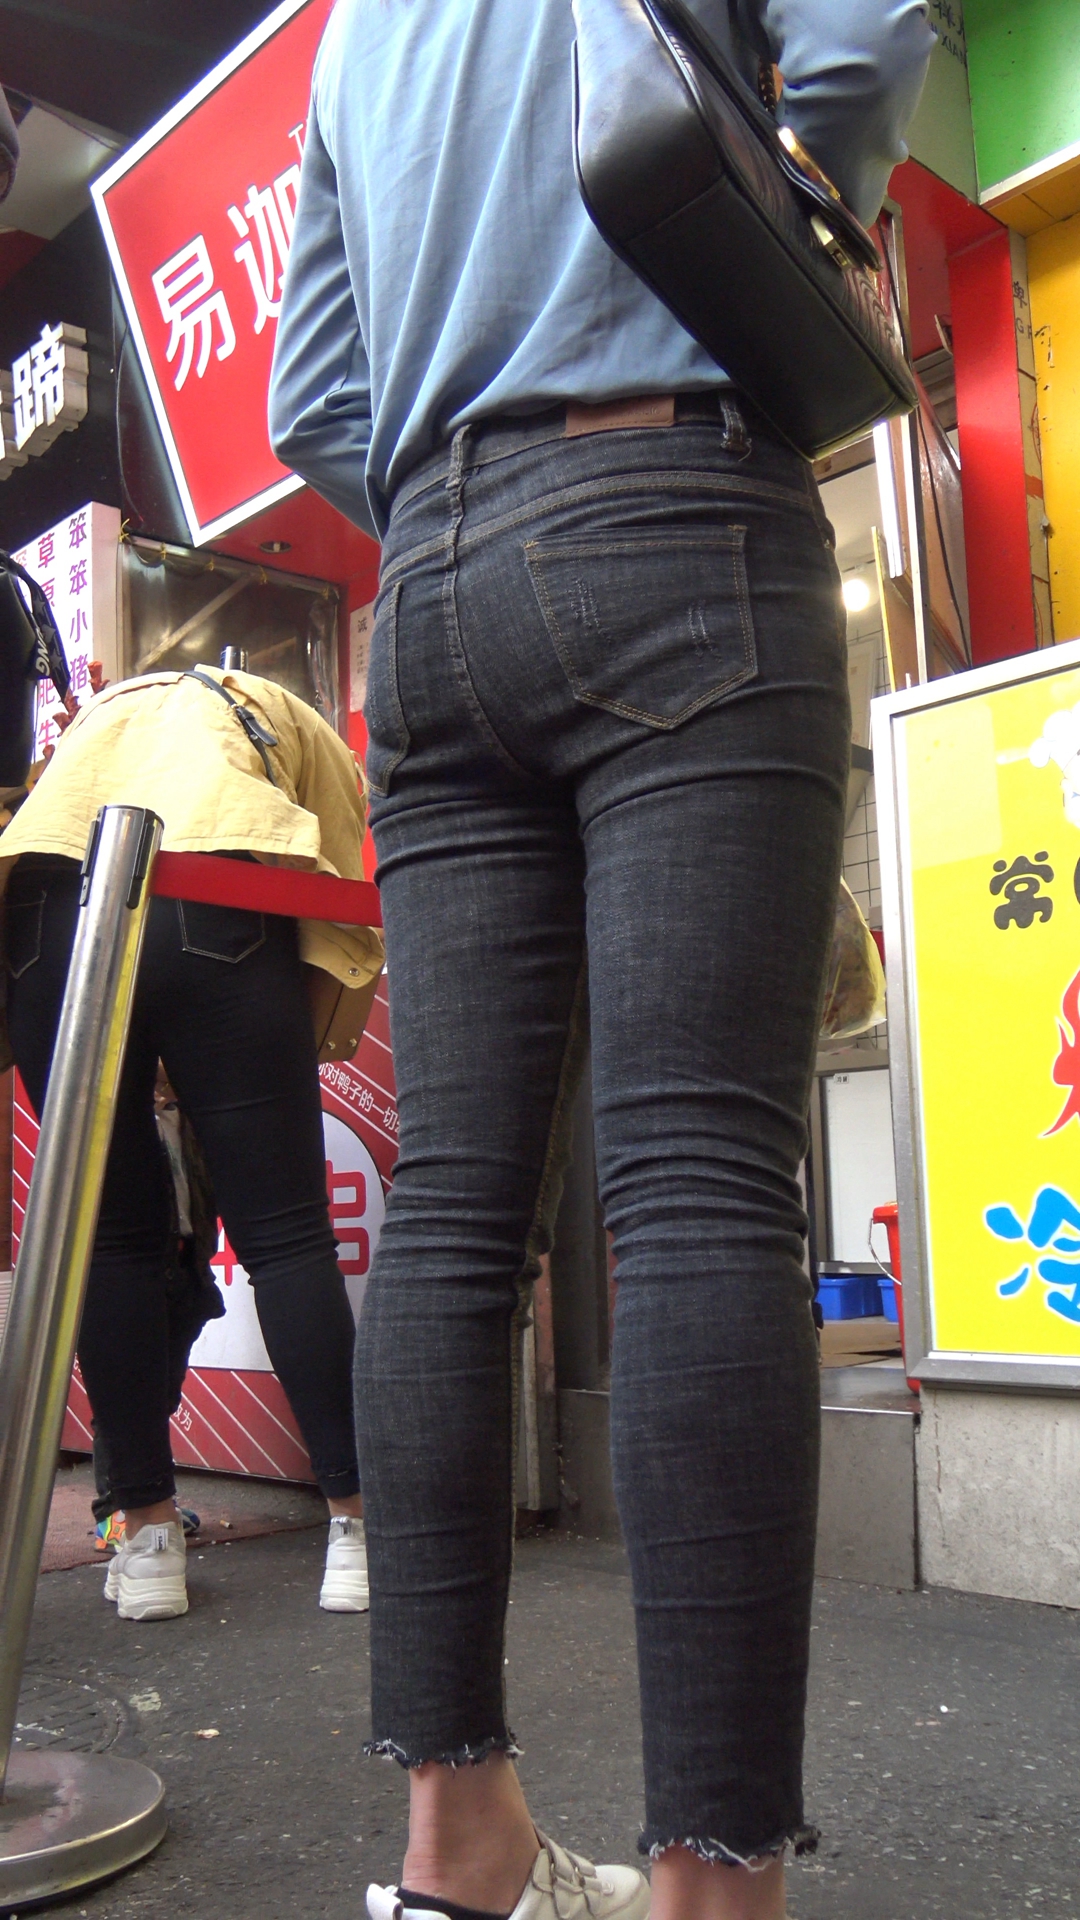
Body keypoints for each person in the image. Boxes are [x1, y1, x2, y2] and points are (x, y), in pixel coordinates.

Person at [269, 3, 934, 1917]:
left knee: (456, 1210)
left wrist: (457, 479)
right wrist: (759, 259)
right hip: (676, 505)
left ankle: (454, 1854)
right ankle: (712, 1893)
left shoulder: (355, 35)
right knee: (700, 1180)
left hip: (428, 593)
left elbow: (313, 390)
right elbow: (868, 37)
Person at [1, 667, 384, 1622]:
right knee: (288, 1238)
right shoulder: (271, 711)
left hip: (46, 909)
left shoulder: (80, 743)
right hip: (215, 888)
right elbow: (338, 873)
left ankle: (146, 1541)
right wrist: (310, 1027)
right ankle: (357, 1528)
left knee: (110, 1244)